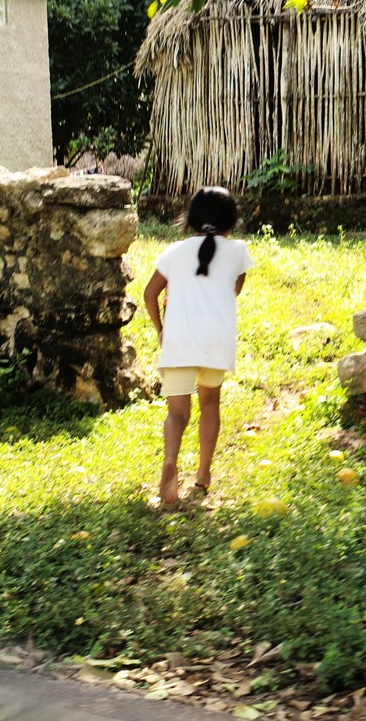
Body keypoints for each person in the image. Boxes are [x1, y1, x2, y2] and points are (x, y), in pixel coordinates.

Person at [141, 186, 252, 506]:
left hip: (178, 339)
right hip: (215, 341)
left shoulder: (175, 251)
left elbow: (150, 294)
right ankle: (203, 475)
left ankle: (170, 463)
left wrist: (162, 329)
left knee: (177, 413)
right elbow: (233, 290)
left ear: (190, 219)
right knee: (210, 405)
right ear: (231, 221)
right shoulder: (238, 251)